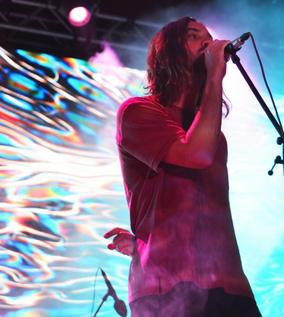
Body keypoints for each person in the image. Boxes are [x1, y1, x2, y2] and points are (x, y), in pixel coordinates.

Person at [105, 17, 261, 317]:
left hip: (229, 284)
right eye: (193, 36)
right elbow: (196, 155)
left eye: (208, 36)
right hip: (168, 287)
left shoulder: (217, 137)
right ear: (168, 56)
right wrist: (215, 75)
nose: (207, 42)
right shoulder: (138, 111)